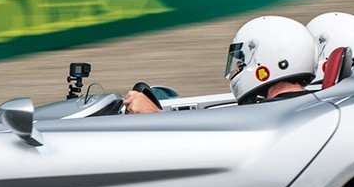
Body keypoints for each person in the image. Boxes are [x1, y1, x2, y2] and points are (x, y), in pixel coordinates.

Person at [118, 14, 319, 113]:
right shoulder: (310, 106)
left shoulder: (271, 115)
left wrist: (155, 116)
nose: (237, 68)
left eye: (241, 61)